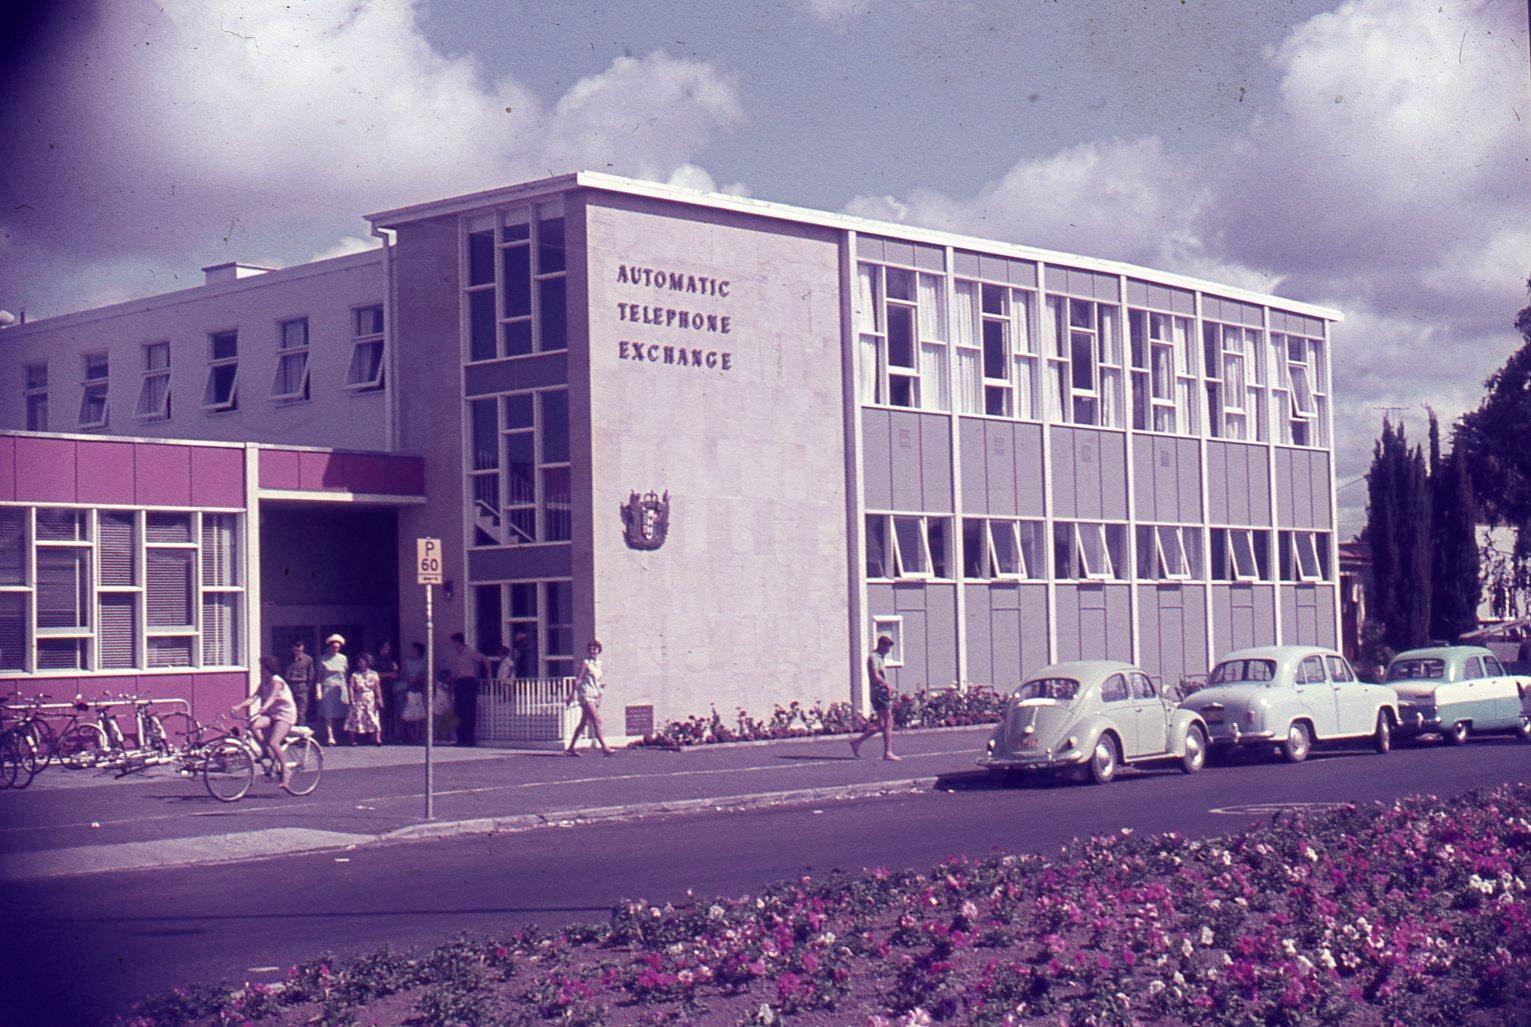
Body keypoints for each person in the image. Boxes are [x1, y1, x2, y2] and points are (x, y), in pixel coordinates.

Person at [233, 656, 298, 787]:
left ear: (269, 669)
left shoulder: (276, 681)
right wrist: (239, 706)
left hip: (285, 714)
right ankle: (266, 751)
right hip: (273, 714)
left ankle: (286, 771)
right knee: (253, 726)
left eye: (263, 668)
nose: (261, 670)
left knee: (274, 742)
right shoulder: (264, 682)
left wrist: (265, 707)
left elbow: (273, 697)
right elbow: (254, 697)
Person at [850, 635, 900, 761]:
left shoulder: (880, 658)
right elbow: (875, 675)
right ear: (881, 645)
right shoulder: (874, 657)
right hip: (880, 693)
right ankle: (887, 752)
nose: (888, 651)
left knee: (882, 724)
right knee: (888, 722)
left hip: (880, 692)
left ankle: (857, 742)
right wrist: (887, 685)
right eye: (887, 648)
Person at [565, 640, 615, 756]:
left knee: (583, 723)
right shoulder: (585, 663)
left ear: (599, 650)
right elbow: (578, 679)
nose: (593, 650)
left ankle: (571, 747)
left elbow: (599, 681)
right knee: (597, 721)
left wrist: (600, 694)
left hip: (595, 695)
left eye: (595, 648)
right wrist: (572, 695)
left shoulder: (599, 664)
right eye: (591, 648)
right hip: (586, 695)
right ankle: (605, 748)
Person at [448, 632, 487, 746]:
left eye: (453, 643)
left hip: (469, 682)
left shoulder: (469, 652)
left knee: (469, 711)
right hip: (459, 683)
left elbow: (484, 659)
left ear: (457, 642)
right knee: (459, 711)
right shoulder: (458, 656)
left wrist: (488, 674)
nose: (453, 646)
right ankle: (461, 739)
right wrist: (452, 678)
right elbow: (458, 671)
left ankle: (469, 739)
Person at [317, 634, 350, 746]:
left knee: (343, 712)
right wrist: (318, 691)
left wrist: (347, 688)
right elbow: (319, 677)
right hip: (327, 687)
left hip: (341, 687)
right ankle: (330, 736)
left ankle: (342, 734)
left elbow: (345, 674)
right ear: (329, 646)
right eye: (334, 647)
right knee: (328, 713)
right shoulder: (323, 659)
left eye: (338, 647)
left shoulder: (343, 658)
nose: (336, 649)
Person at [345, 652, 384, 746]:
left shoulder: (374, 674)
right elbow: (351, 687)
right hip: (359, 697)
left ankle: (377, 738)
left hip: (370, 697)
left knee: (373, 717)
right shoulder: (355, 675)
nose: (359, 664)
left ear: (367, 662)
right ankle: (353, 739)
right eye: (359, 662)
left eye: (361, 662)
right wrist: (351, 698)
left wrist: (379, 699)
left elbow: (377, 688)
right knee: (355, 717)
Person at [374, 641, 403, 741]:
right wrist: (387, 674)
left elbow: (395, 671)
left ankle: (390, 733)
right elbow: (374, 675)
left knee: (390, 711)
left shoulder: (389, 659)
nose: (387, 650)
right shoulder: (375, 660)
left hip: (389, 688)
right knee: (380, 712)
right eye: (385, 648)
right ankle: (380, 734)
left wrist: (395, 672)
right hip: (379, 688)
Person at [401, 641, 428, 744]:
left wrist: (417, 678)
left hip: (418, 688)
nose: (412, 652)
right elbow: (402, 673)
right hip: (408, 688)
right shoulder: (407, 661)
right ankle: (410, 736)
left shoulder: (423, 661)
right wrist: (408, 678)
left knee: (418, 713)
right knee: (407, 713)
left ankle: (417, 737)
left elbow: (425, 674)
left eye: (414, 650)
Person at [285, 639, 315, 728]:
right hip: (289, 686)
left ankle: (300, 733)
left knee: (301, 711)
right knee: (289, 710)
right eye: (296, 650)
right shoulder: (287, 659)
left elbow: (311, 674)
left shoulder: (307, 659)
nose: (297, 652)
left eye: (300, 650)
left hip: (301, 686)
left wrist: (307, 687)